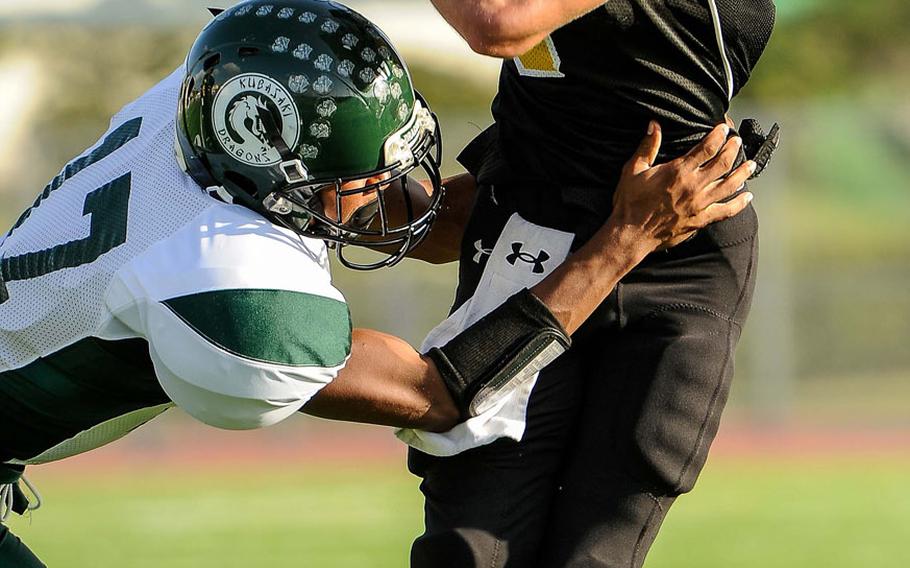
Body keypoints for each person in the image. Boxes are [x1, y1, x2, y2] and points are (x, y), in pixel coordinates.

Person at [0, 1, 754, 565]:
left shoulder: (213, 107)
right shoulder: (225, 286)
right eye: (365, 178)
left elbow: (413, 222)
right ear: (280, 178)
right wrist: (625, 239)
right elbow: (438, 395)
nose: (392, 190)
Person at [406, 1, 779, 567]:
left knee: (596, 554)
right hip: (534, 232)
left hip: (673, 242)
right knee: (469, 549)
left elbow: (498, 22)